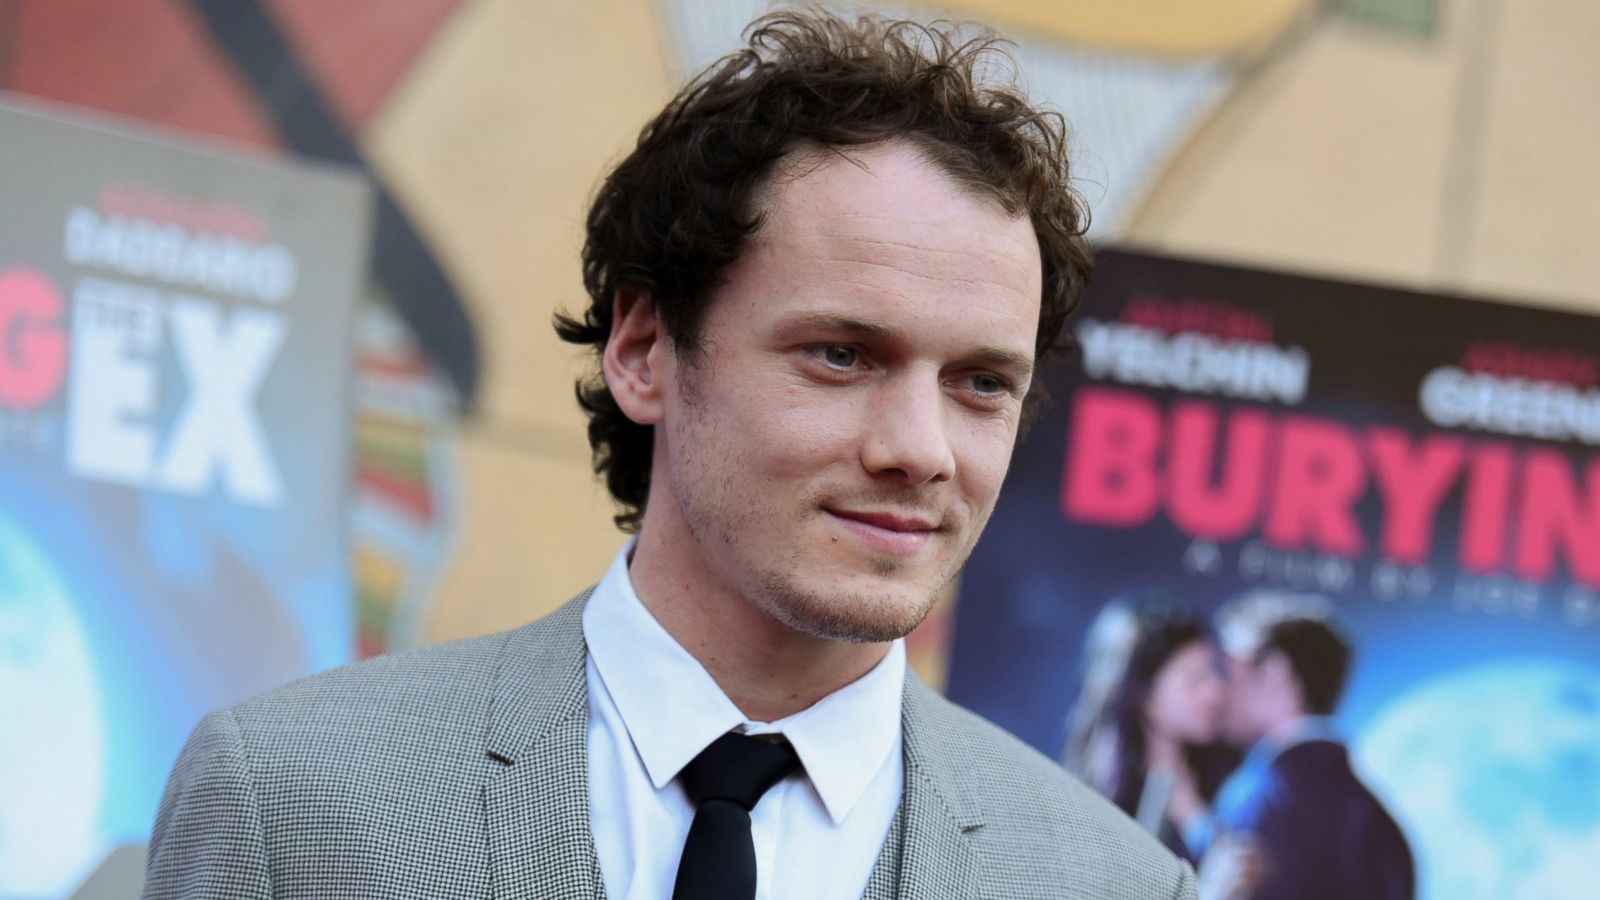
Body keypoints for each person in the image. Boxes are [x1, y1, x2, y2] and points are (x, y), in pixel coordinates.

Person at [143, 11, 1198, 900]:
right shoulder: (292, 799)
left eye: (980, 384)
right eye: (840, 355)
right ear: (644, 350)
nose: (920, 451)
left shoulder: (1115, 886)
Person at [1194, 593, 1414, 900]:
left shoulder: (1256, 798)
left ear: (1275, 671)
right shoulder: (1382, 822)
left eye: (1227, 670)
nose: (1215, 692)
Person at [1064, 594, 1228, 865]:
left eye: (1214, 673)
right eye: (1194, 680)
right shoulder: (1090, 790)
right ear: (1143, 692)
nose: (1215, 692)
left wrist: (1192, 815)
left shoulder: (1227, 774)